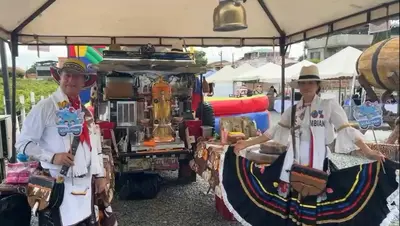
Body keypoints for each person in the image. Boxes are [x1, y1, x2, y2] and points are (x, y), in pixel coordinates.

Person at [220, 65, 399, 226]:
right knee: (289, 199)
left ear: (317, 84)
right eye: (303, 83)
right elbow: (272, 133)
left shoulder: (329, 105)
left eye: (311, 82)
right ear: (298, 86)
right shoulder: (292, 110)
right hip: (292, 161)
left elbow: (346, 130)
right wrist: (247, 143)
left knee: (314, 197)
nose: (306, 86)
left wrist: (369, 152)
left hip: (318, 161)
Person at [16, 59, 107, 226]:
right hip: (58, 188)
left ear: (83, 82)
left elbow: (94, 146)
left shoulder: (84, 110)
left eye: (77, 77)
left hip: (85, 188)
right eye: (67, 75)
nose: (71, 80)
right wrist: (52, 157)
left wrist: (100, 175)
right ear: (60, 77)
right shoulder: (45, 107)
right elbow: (22, 144)